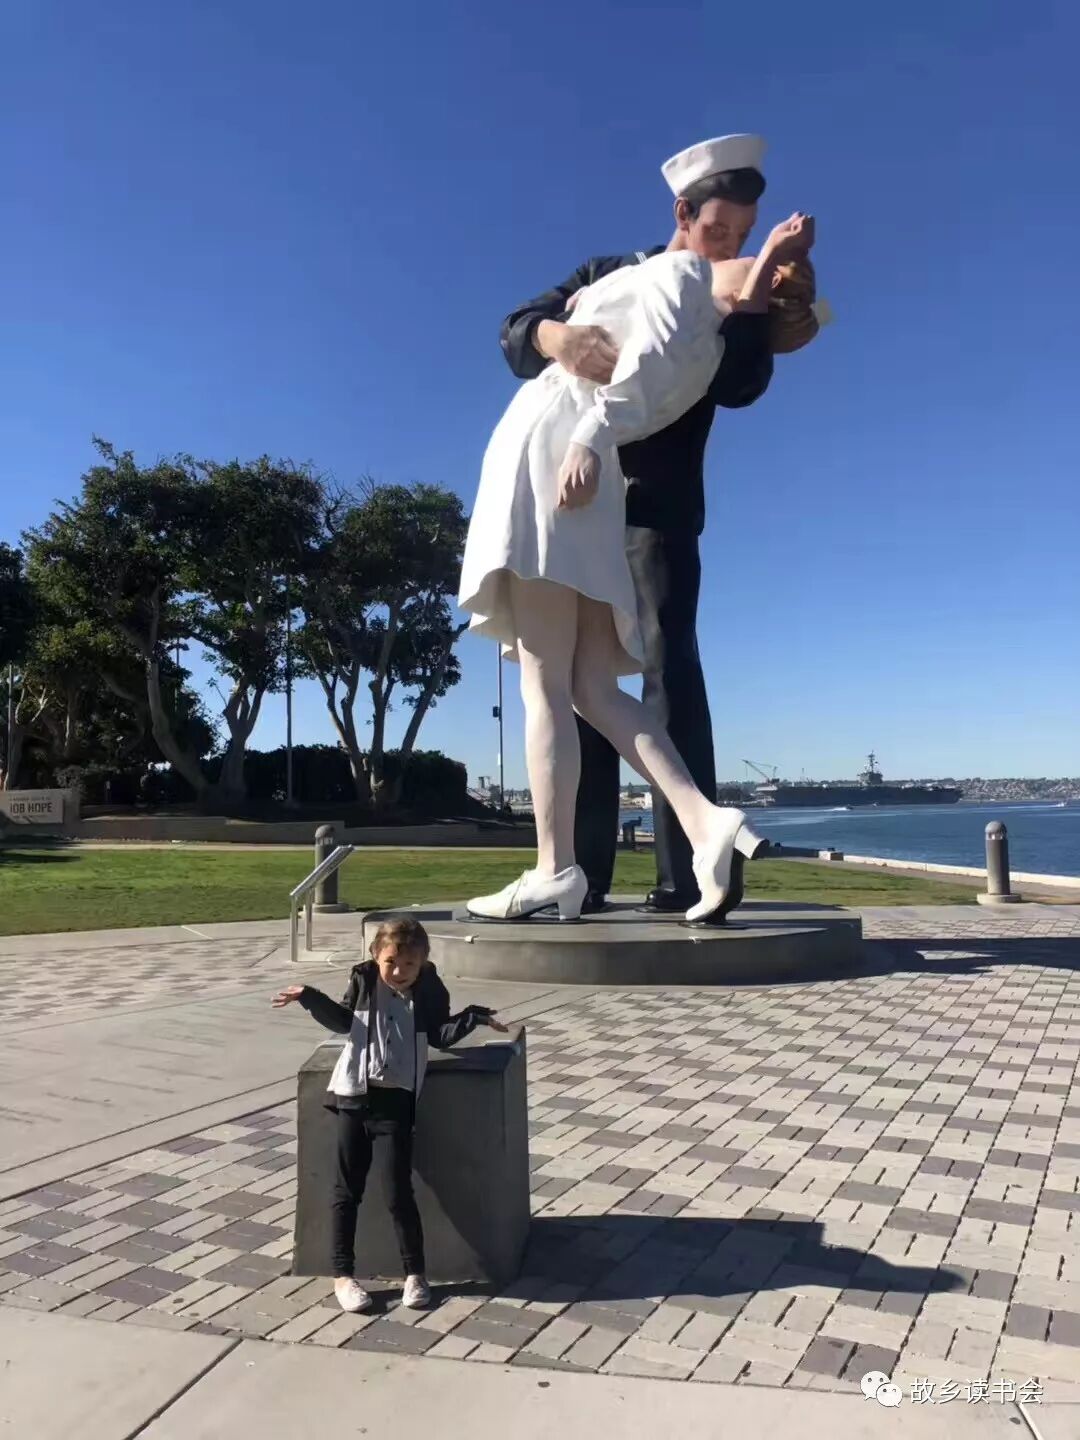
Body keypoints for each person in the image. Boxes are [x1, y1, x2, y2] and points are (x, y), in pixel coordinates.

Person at [459, 213, 820, 924]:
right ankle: (655, 844)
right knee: (591, 688)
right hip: (588, 484)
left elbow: (739, 381)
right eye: (726, 229)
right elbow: (519, 330)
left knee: (615, 676)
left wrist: (761, 306)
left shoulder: (700, 297)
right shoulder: (616, 272)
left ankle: (588, 869)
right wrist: (554, 335)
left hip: (627, 492)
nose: (734, 245)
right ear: (686, 215)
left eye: (745, 237)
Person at [272, 917, 507, 1312]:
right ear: (376, 956)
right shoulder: (364, 981)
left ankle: (415, 1274)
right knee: (347, 1191)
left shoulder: (427, 990)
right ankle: (343, 1276)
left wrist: (475, 1016)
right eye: (391, 962)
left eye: (410, 964)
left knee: (398, 1192)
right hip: (354, 1098)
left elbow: (439, 1034)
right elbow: (343, 1021)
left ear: (423, 962)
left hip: (396, 1101)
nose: (399, 972)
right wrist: (309, 997)